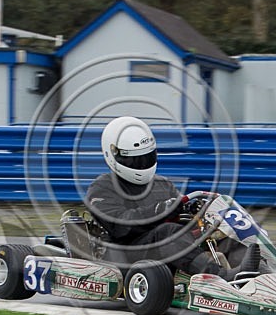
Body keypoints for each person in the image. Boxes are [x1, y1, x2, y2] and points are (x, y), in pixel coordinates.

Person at [86, 116, 260, 280]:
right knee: (168, 232)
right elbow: (120, 226)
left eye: (146, 157)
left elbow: (180, 214)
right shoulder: (102, 188)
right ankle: (221, 277)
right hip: (127, 255)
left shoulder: (162, 184)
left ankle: (262, 270)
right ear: (113, 154)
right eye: (135, 160)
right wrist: (162, 209)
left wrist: (197, 213)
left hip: (168, 252)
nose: (142, 164)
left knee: (219, 229)